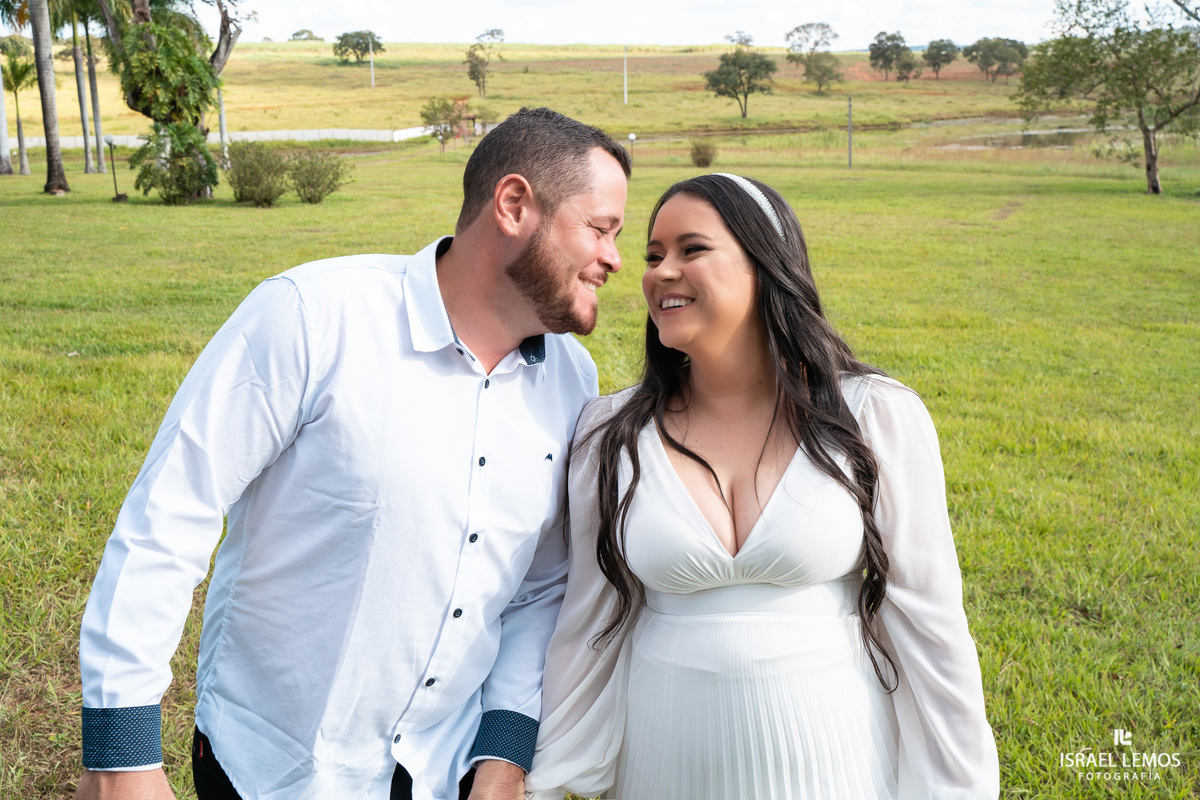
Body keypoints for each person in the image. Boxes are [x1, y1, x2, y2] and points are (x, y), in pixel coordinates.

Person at [74, 107, 631, 800]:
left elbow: (537, 585)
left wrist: (503, 752)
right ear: (515, 205)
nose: (613, 258)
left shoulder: (571, 379)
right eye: (601, 229)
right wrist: (121, 757)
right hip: (273, 771)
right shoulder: (311, 315)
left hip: (443, 770)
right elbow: (168, 520)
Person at [524, 174, 1000, 799]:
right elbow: (587, 625)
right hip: (665, 767)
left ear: (765, 266)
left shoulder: (874, 416)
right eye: (653, 255)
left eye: (692, 249)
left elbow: (930, 621)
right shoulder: (610, 434)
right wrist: (541, 776)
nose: (660, 272)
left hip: (839, 761)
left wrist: (960, 787)